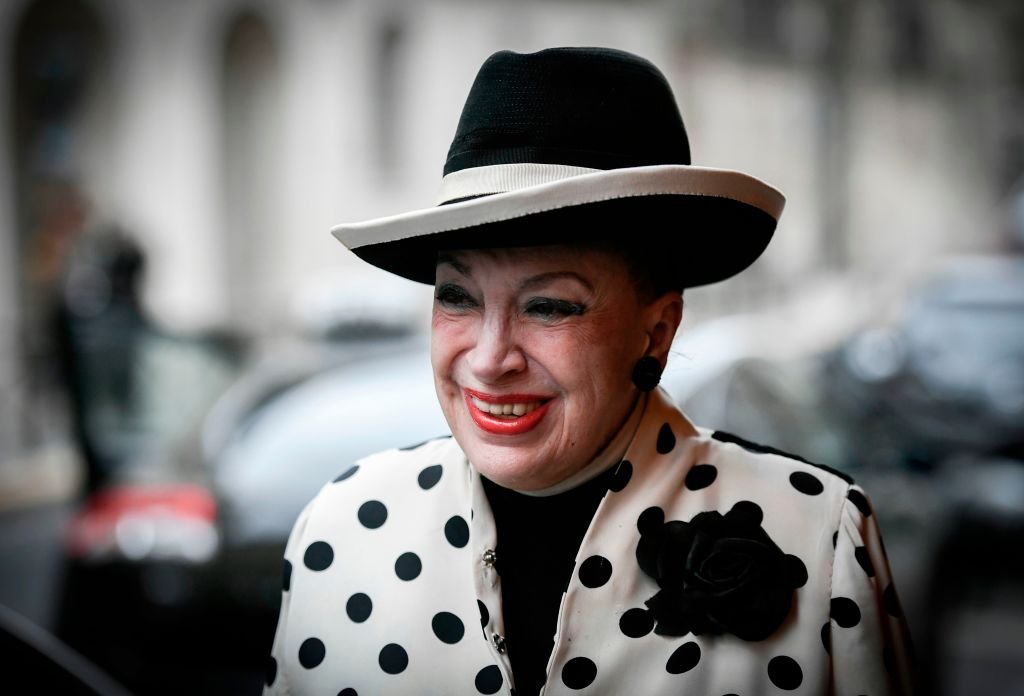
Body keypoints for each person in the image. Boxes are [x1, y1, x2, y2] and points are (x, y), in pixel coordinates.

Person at [264, 47, 914, 696]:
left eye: (549, 306)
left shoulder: (819, 532)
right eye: (457, 297)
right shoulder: (344, 526)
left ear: (656, 330)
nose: (490, 359)